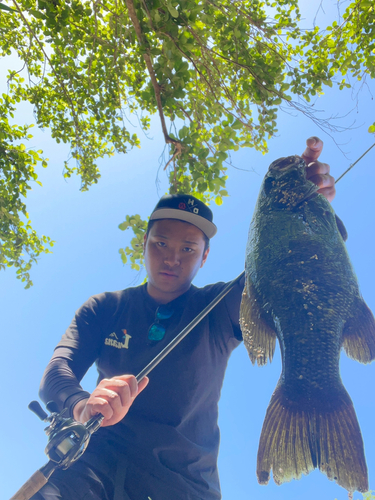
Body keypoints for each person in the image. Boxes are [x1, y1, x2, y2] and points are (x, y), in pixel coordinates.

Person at [30, 138, 336, 500]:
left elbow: (274, 277)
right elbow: (56, 372)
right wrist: (82, 404)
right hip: (91, 468)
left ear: (204, 258)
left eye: (188, 249)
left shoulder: (221, 305)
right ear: (143, 243)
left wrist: (295, 212)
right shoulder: (104, 307)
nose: (172, 258)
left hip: (187, 484)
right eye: (160, 243)